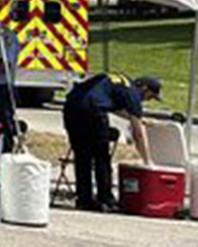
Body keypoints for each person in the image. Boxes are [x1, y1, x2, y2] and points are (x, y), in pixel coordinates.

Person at [62, 73, 163, 212]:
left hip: (72, 106)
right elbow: (138, 134)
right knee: (101, 157)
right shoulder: (133, 94)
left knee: (82, 156)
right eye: (150, 97)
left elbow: (112, 106)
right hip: (93, 110)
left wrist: (138, 119)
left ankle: (84, 199)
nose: (147, 100)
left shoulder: (120, 82)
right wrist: (147, 160)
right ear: (144, 88)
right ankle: (106, 199)